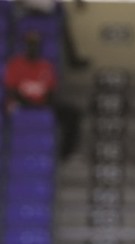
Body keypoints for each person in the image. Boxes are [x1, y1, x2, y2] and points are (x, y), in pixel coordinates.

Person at [3, 30, 82, 160]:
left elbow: (51, 91)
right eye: (30, 45)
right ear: (25, 47)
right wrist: (30, 103)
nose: (33, 48)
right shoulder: (15, 64)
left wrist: (44, 104)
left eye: (36, 45)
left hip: (42, 104)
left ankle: (64, 154)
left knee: (72, 113)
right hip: (20, 104)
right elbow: (12, 90)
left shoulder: (46, 66)